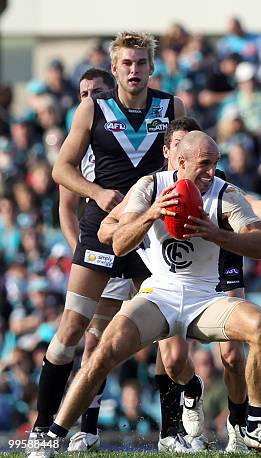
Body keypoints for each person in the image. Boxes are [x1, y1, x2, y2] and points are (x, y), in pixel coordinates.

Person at [40, 131, 261, 457]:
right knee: (104, 352)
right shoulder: (150, 186)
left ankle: (254, 424)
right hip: (160, 292)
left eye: (215, 164)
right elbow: (118, 243)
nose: (211, 172)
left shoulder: (225, 193)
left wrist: (217, 234)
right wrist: (152, 213)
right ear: (179, 161)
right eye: (204, 164)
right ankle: (52, 438)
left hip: (207, 296)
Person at [29, 31, 185, 456]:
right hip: (101, 228)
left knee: (168, 334)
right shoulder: (92, 107)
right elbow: (61, 168)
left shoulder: (172, 107)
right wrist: (96, 193)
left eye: (141, 63)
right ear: (114, 68)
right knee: (72, 329)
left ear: (152, 68)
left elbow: (188, 166)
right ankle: (44, 430)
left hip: (151, 232)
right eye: (126, 64)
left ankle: (172, 431)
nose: (134, 71)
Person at [56, 67, 143, 452]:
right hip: (99, 252)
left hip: (136, 247)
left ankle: (177, 423)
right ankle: (86, 428)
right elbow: (66, 208)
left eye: (95, 92)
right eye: (82, 93)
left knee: (165, 341)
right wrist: (86, 256)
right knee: (92, 344)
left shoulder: (130, 140)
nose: (88, 98)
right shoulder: (79, 147)